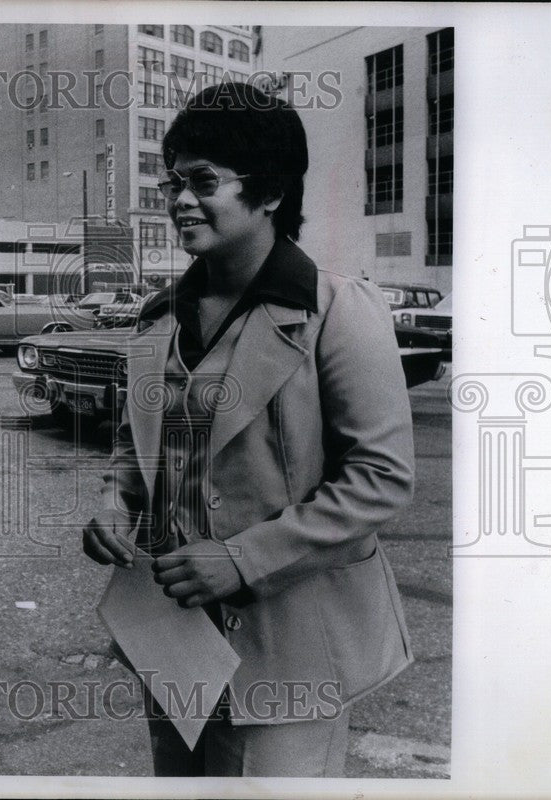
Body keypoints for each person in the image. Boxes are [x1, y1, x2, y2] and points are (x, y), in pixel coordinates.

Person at [83, 83, 415, 777]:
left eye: (203, 181)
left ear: (268, 192)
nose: (178, 198)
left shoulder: (338, 309)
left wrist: (241, 558)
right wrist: (115, 506)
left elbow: (380, 481)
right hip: (172, 640)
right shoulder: (158, 320)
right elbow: (134, 451)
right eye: (173, 180)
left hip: (293, 650)